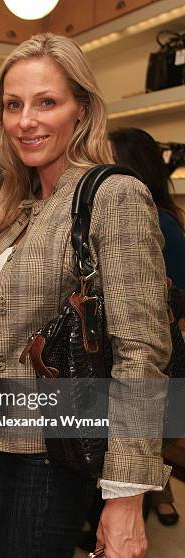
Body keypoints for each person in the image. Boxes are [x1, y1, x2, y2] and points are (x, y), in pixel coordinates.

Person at [0, 33, 172, 558]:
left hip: (52, 456)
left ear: (82, 108)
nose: (26, 121)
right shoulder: (13, 208)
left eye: (46, 102)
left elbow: (141, 351)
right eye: (13, 104)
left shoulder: (113, 195)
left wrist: (126, 496)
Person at [109, 126, 185, 527]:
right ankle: (160, 499)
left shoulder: (155, 220)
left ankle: (144, 503)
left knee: (145, 428)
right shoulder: (159, 215)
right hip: (154, 346)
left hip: (153, 347)